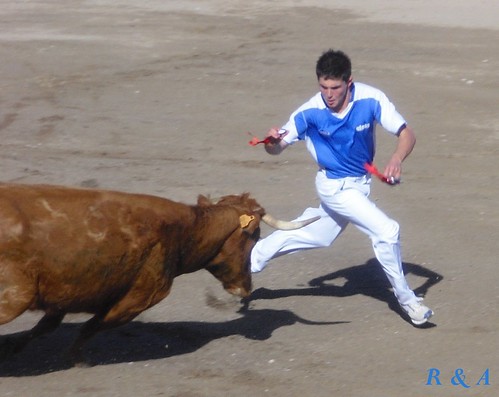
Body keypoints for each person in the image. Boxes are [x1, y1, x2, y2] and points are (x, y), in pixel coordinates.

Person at [251, 49, 434, 325]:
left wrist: (396, 158)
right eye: (323, 87)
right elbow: (276, 149)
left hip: (359, 185)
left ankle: (247, 260)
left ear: (349, 82)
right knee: (387, 231)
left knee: (318, 235)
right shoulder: (309, 111)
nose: (329, 94)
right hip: (334, 187)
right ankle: (409, 303)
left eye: (335, 87)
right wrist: (272, 142)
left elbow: (407, 133)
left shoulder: (371, 99)